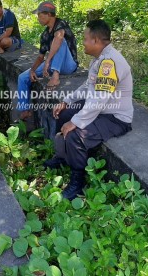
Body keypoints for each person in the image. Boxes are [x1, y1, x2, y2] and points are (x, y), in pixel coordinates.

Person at [45, 19, 133, 200]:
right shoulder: (99, 59)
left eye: (85, 39)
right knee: (63, 113)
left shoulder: (110, 63)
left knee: (76, 134)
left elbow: (99, 100)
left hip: (115, 117)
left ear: (96, 41)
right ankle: (63, 156)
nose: (82, 42)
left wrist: (75, 122)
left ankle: (78, 181)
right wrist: (66, 101)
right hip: (101, 110)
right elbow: (88, 86)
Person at [17, 1, 78, 120]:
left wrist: (48, 61)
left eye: (40, 15)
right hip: (54, 63)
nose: (38, 18)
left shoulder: (61, 24)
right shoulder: (44, 35)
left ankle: (55, 77)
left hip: (68, 64)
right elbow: (40, 57)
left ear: (49, 14)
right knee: (23, 77)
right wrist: (33, 70)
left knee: (61, 41)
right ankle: (25, 110)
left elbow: (59, 38)